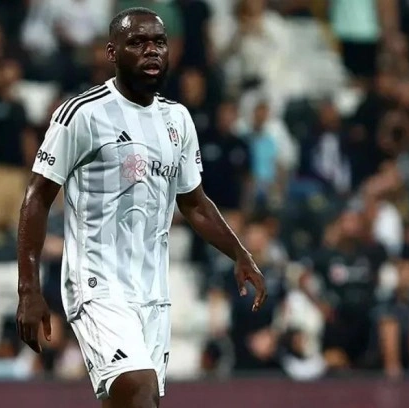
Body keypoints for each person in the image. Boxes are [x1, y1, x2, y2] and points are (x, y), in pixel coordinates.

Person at [16, 7, 267, 408]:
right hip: (97, 285)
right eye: (137, 42)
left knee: (132, 401)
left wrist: (240, 253)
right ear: (112, 53)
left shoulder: (178, 119)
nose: (151, 50)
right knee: (139, 388)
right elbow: (37, 197)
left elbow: (195, 203)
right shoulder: (82, 113)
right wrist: (28, 289)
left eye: (159, 42)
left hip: (153, 292)